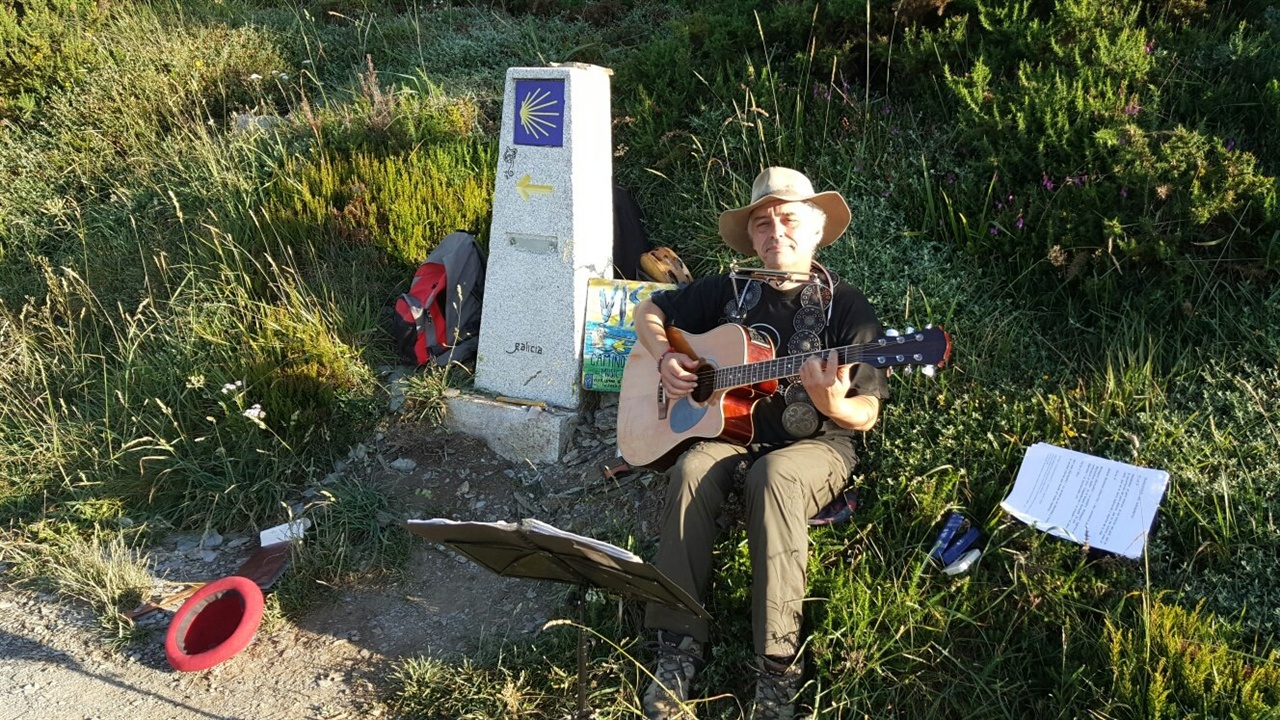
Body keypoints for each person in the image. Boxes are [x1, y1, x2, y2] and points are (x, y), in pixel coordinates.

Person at [632, 167, 889, 720]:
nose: (775, 230)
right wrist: (666, 356)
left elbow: (865, 412)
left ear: (817, 230)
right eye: (763, 222)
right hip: (728, 434)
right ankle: (676, 649)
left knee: (774, 478)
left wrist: (833, 404)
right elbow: (648, 309)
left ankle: (777, 667)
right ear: (751, 238)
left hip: (816, 446)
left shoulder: (846, 306)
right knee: (690, 470)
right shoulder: (727, 290)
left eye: (788, 217)